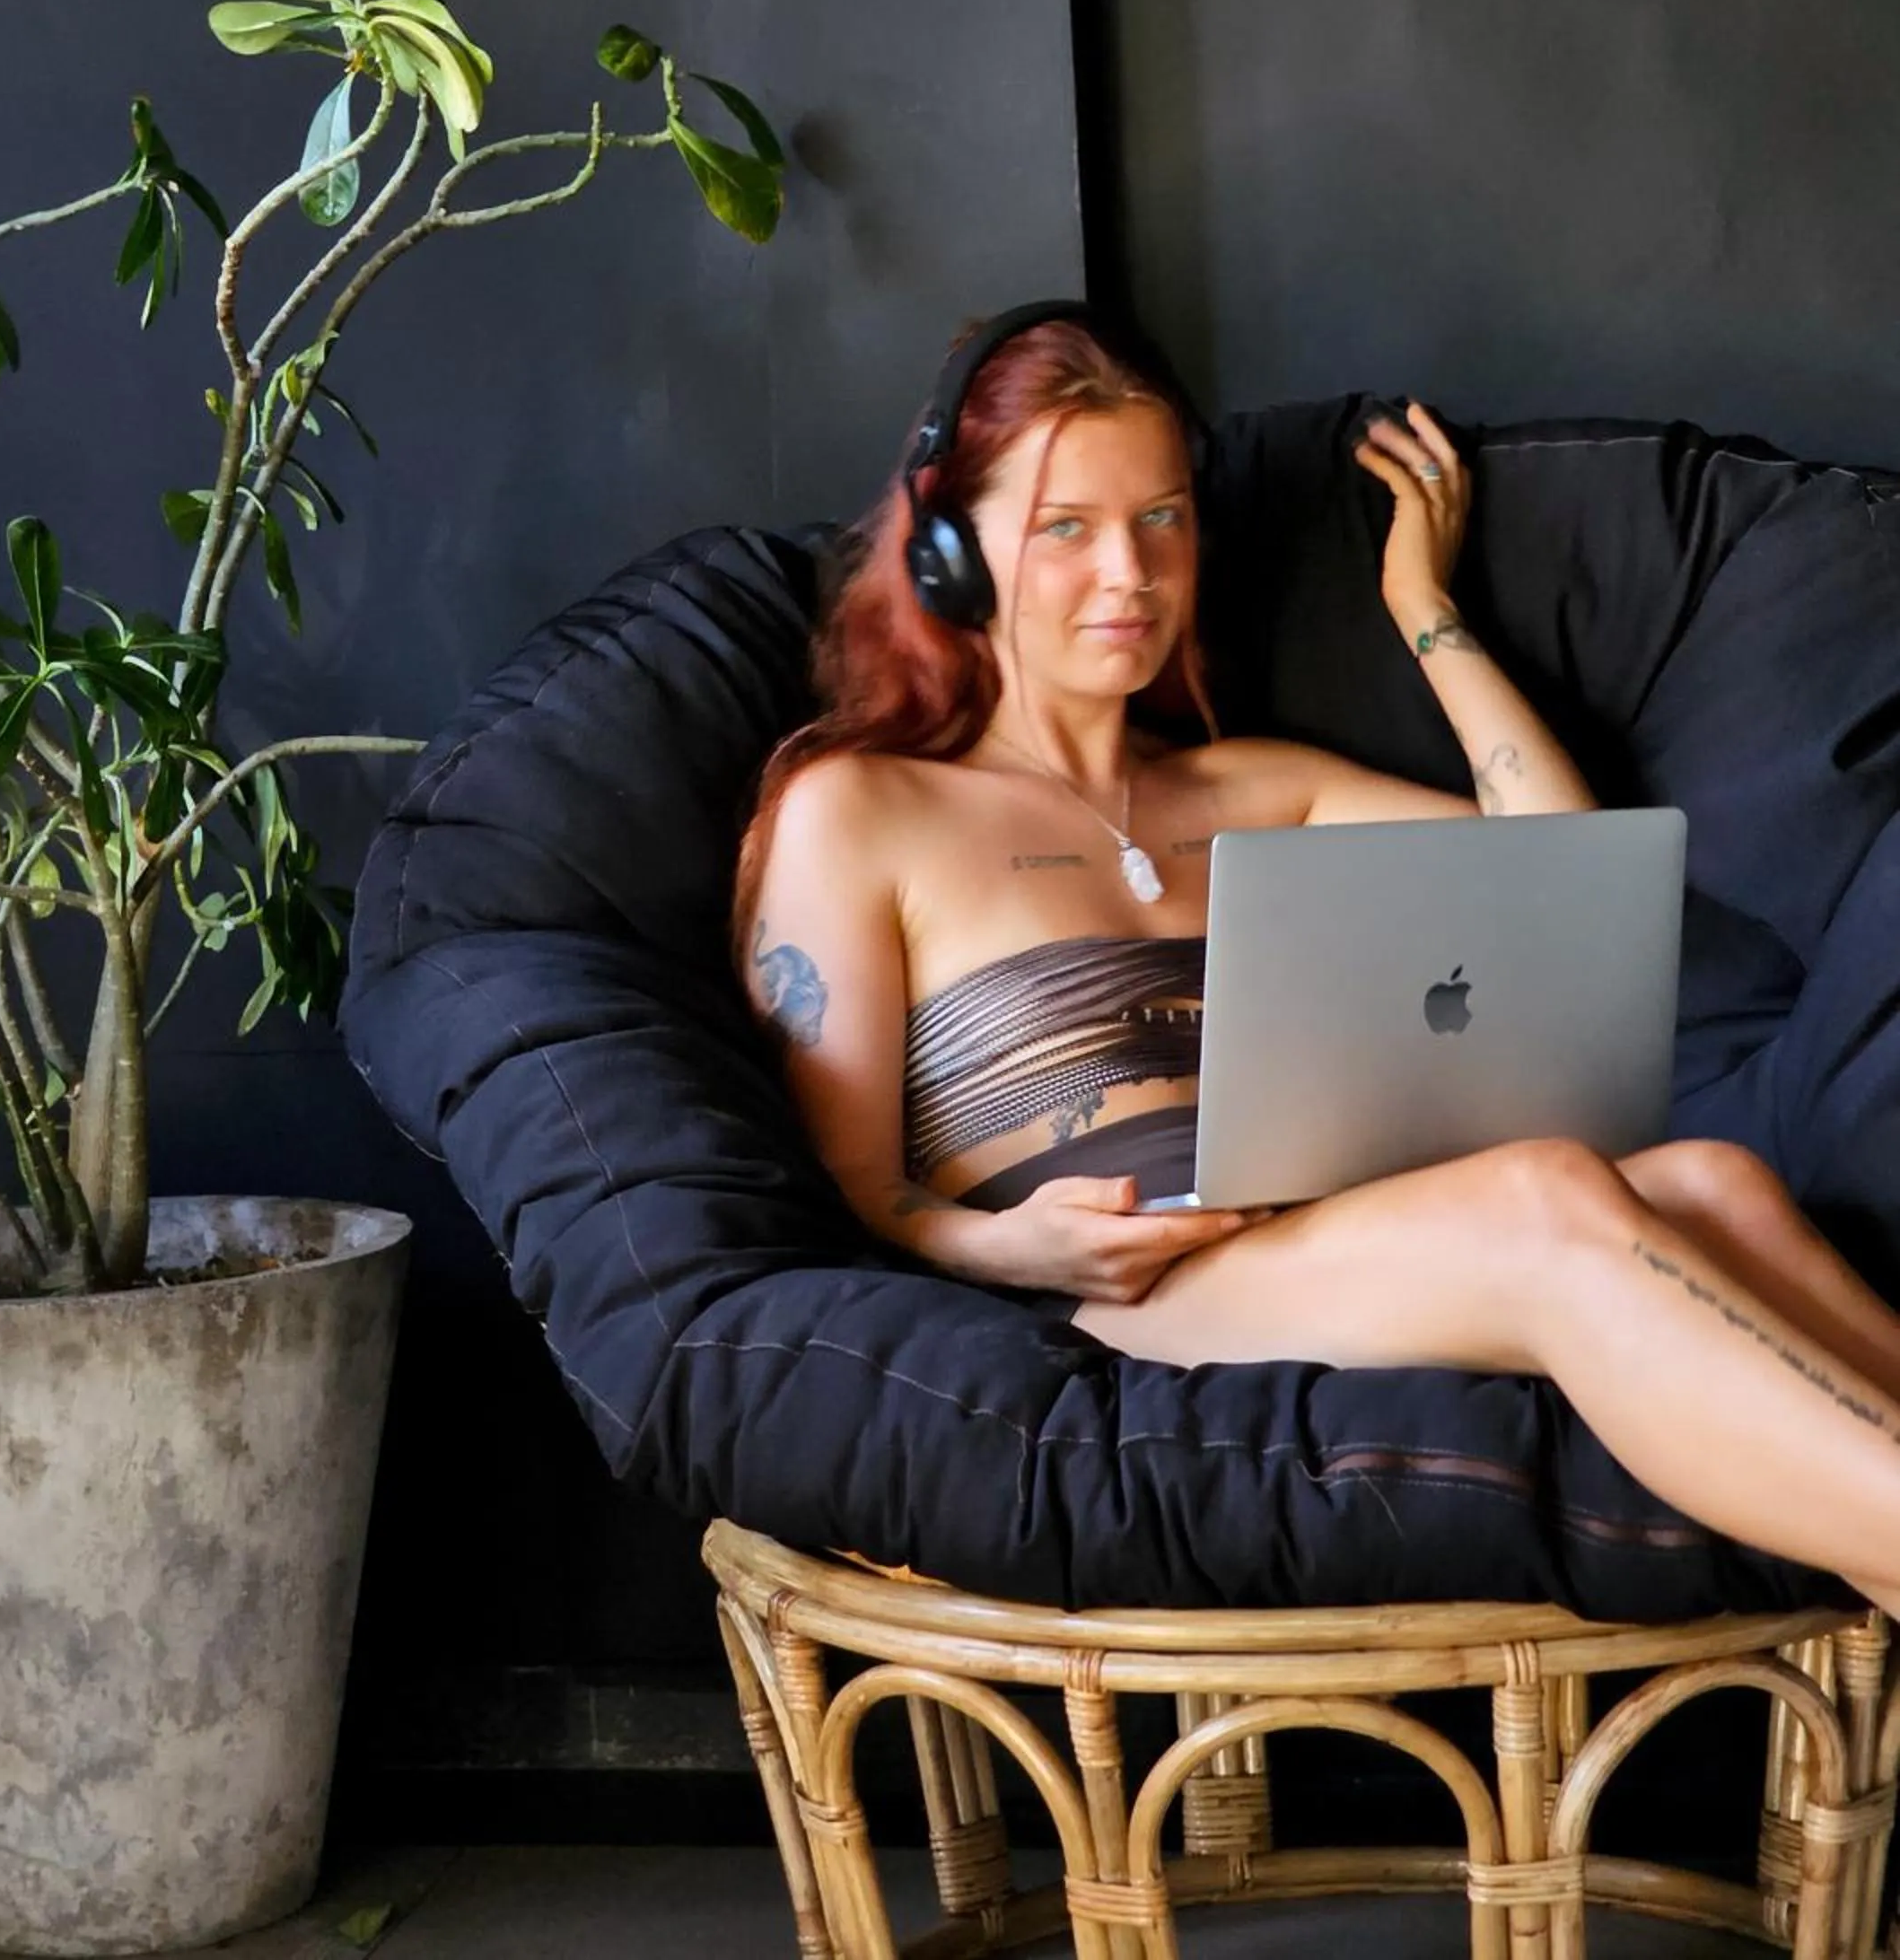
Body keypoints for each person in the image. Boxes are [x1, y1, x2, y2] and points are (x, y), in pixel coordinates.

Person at [735, 305, 1900, 1621]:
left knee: (1716, 1182)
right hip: (1124, 1308)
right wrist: (1015, 1249)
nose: (1128, 573)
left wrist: (1424, 609)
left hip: (1317, 1243)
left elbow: (1565, 873)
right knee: (1542, 1195)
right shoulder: (857, 810)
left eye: (1160, 518)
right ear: (951, 554)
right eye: (1066, 527)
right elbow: (843, 1193)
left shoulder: (1251, 787)